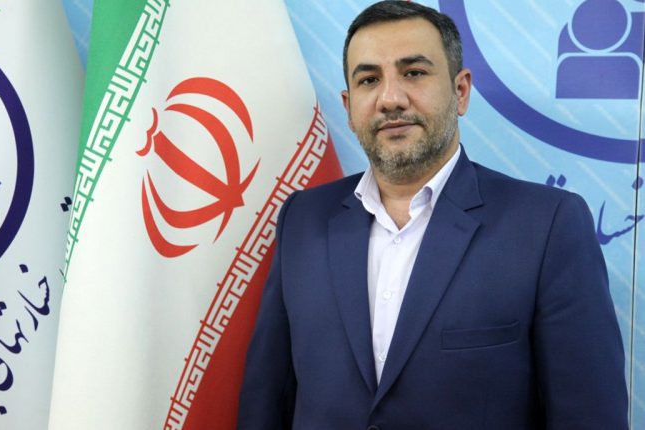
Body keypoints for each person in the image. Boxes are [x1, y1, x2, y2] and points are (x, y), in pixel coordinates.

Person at [237, 1, 628, 429]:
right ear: (348, 107)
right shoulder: (303, 219)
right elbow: (266, 403)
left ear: (461, 91)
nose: (390, 99)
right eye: (369, 80)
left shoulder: (547, 226)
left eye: (414, 73)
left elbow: (590, 417)